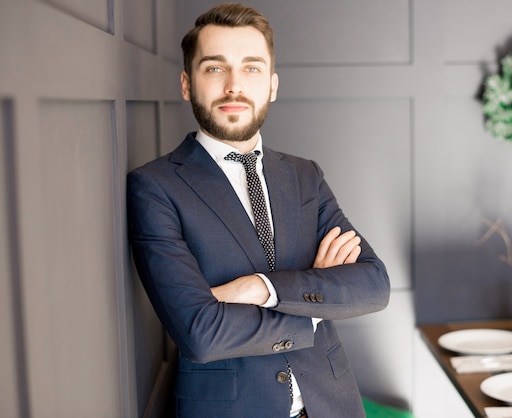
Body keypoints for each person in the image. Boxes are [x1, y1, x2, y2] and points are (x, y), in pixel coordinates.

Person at [126, 3, 390, 417]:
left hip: (331, 403)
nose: (234, 85)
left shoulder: (306, 176)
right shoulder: (156, 187)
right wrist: (315, 307)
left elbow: (373, 284)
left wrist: (260, 288)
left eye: (251, 68)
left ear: (272, 84)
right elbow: (200, 333)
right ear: (186, 83)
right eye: (215, 68)